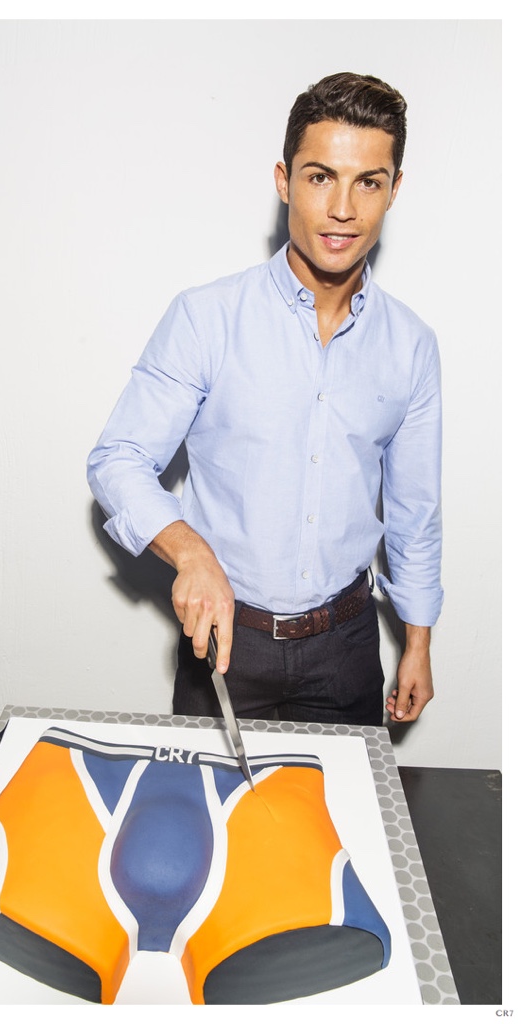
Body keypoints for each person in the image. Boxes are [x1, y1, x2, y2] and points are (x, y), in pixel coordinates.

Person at [87, 72, 443, 727]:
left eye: (367, 182)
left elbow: (413, 512)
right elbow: (119, 458)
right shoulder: (206, 318)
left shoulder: (412, 346)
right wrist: (190, 553)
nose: (342, 208)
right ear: (284, 181)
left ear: (394, 190)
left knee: (346, 800)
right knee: (208, 799)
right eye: (320, 177)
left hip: (347, 646)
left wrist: (417, 642)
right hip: (226, 642)